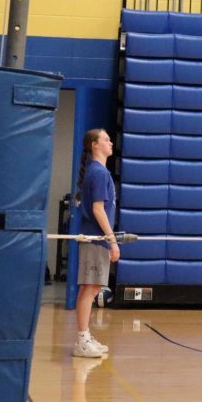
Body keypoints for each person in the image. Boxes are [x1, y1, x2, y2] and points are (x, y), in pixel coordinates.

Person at [72, 128, 119, 358]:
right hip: (96, 239)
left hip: (96, 239)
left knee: (91, 288)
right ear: (95, 145)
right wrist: (113, 241)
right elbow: (98, 209)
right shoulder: (99, 173)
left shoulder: (97, 172)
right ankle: (82, 340)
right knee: (89, 289)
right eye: (106, 139)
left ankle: (85, 336)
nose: (111, 143)